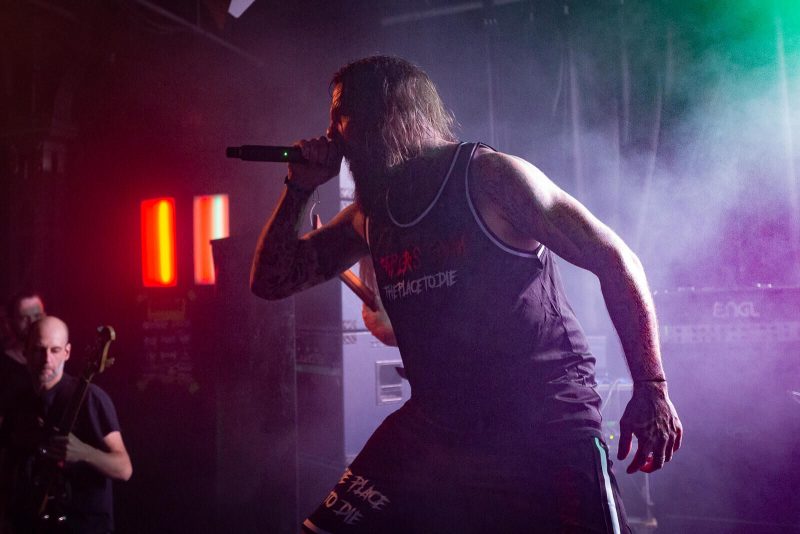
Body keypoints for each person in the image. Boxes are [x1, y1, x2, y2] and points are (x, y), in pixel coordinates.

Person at [250, 55, 682, 533]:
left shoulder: (490, 178)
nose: (331, 134)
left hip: (542, 424)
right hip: (438, 426)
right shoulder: (372, 213)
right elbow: (272, 281)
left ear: (390, 115)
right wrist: (298, 188)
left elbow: (616, 259)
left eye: (341, 115)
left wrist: (652, 387)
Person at [0, 316, 132, 533]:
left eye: (55, 350)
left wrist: (84, 452)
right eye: (39, 350)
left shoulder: (90, 398)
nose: (46, 359)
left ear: (67, 352)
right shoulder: (18, 402)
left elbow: (124, 468)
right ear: (25, 352)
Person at [0, 291, 46, 428]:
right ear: (11, 322)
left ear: (45, 315)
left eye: (37, 316)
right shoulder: (3, 365)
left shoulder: (61, 360)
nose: (32, 322)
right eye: (24, 318)